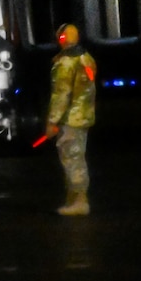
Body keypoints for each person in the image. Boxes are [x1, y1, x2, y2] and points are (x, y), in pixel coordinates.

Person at [44, 22, 97, 216]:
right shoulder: (86, 59)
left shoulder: (66, 63)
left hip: (70, 119)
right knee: (76, 156)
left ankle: (80, 201)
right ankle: (73, 198)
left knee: (72, 158)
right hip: (83, 116)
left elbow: (61, 95)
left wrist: (52, 121)